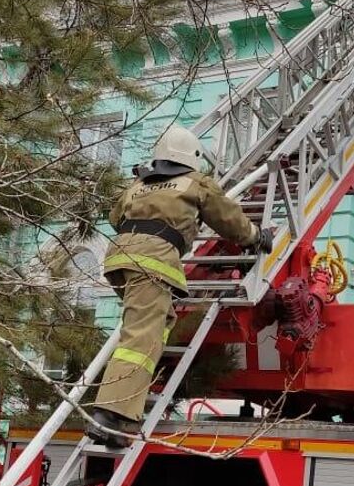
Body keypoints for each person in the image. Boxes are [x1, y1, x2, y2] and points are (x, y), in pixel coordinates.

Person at [91, 125, 272, 446]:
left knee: (160, 325)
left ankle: (124, 414)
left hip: (120, 260)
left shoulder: (138, 184)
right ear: (192, 158)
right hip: (153, 262)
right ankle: (109, 414)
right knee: (142, 336)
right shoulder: (195, 183)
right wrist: (256, 236)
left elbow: (115, 216)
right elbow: (227, 218)